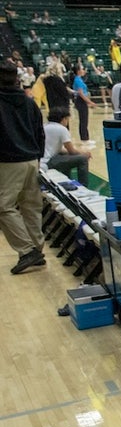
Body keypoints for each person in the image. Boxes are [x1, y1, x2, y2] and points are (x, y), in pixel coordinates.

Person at [0, 61, 46, 275]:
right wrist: (38, 156)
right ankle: (37, 249)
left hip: (8, 162)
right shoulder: (29, 102)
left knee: (4, 207)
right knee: (31, 207)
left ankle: (27, 251)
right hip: (32, 159)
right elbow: (40, 131)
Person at [41, 106, 91, 184]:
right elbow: (72, 151)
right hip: (47, 162)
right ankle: (83, 186)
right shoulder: (61, 129)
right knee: (83, 159)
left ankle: (66, 181)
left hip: (40, 160)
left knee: (66, 157)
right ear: (64, 119)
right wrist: (84, 153)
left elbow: (60, 149)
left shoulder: (44, 126)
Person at [71, 65, 98, 142]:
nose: (84, 71)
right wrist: (90, 102)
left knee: (84, 120)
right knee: (83, 120)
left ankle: (85, 138)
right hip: (80, 100)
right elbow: (81, 93)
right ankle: (85, 139)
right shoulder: (78, 80)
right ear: (78, 71)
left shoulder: (79, 79)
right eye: (82, 69)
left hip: (81, 100)